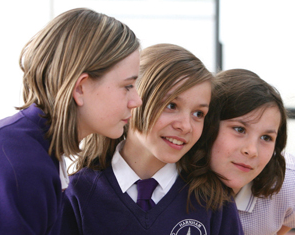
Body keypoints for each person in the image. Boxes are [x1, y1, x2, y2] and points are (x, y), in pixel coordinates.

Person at [61, 43, 244, 235]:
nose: (186, 125)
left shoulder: (213, 200)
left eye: (198, 113)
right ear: (133, 100)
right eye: (171, 105)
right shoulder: (78, 194)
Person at [0, 8, 142, 235]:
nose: (137, 101)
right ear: (80, 87)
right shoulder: (21, 164)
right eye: (127, 86)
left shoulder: (37, 151)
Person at [204, 68, 295, 235]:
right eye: (239, 129)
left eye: (267, 138)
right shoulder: (167, 174)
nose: (252, 151)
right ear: (208, 125)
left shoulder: (287, 183)